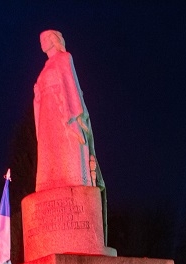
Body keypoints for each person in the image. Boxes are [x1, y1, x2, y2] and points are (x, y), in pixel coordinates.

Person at [33, 29, 107, 239]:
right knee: (50, 155)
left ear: (54, 40)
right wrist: (37, 95)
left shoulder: (65, 58)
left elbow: (72, 87)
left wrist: (74, 117)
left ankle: (72, 178)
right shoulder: (46, 66)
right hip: (47, 113)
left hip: (61, 111)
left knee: (67, 153)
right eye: (41, 40)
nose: (43, 42)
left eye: (46, 39)